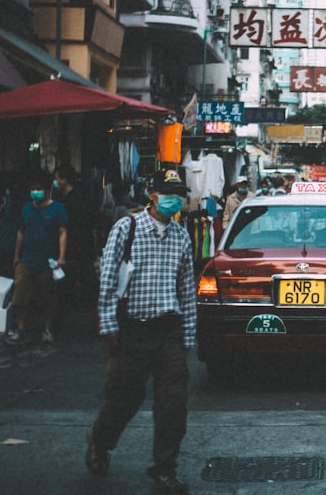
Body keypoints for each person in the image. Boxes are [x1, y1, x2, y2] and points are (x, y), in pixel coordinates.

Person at [86, 168, 196, 493]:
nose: (173, 199)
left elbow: (187, 290)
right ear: (152, 194)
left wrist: (188, 335)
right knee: (124, 400)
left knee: (173, 405)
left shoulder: (181, 236)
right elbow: (107, 278)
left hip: (169, 333)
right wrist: (108, 323)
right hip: (132, 330)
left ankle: (164, 469)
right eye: (167, 192)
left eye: (178, 193)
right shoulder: (127, 227)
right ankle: (100, 440)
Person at [6, 177, 67, 345]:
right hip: (27, 259)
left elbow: (62, 233)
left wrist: (61, 257)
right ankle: (20, 329)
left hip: (49, 261)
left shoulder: (57, 209)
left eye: (39, 188)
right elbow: (21, 232)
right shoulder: (26, 209)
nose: (35, 192)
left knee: (47, 297)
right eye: (33, 189)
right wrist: (16, 255)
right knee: (20, 296)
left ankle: (47, 330)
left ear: (47, 190)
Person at [53, 165, 97, 308]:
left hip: (79, 243)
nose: (56, 182)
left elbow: (77, 224)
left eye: (57, 179)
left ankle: (87, 303)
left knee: (82, 273)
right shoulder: (71, 196)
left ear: (64, 180)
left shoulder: (74, 199)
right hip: (78, 243)